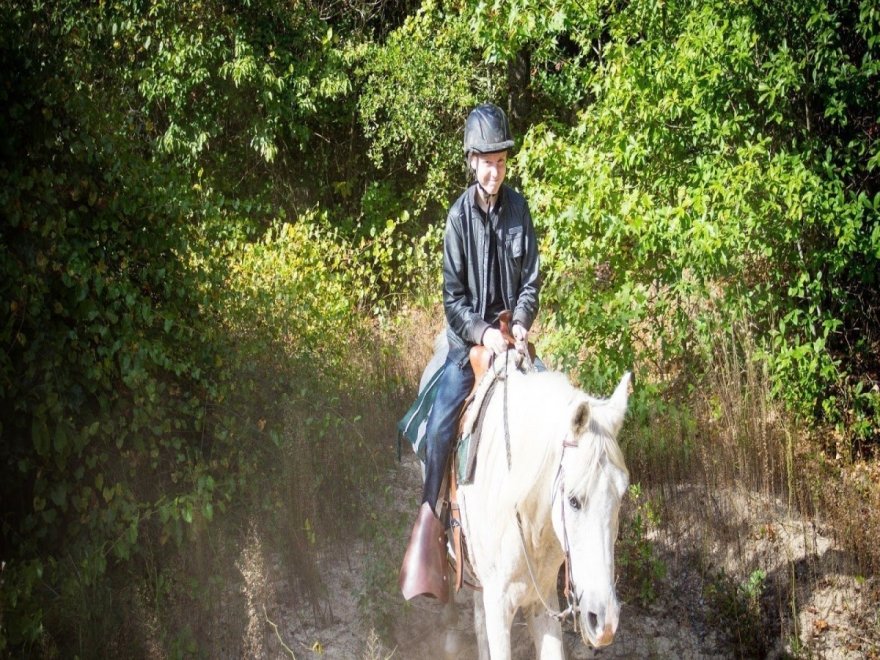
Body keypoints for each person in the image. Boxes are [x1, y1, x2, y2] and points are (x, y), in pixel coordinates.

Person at [399, 102, 541, 601]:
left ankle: (558, 566)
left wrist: (520, 324)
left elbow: (531, 283)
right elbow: (452, 300)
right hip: (471, 344)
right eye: (486, 160)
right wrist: (484, 334)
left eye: (500, 160)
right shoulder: (457, 218)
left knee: (555, 417)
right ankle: (433, 527)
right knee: (440, 425)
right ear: (471, 161)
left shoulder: (520, 209)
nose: (494, 169)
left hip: (515, 338)